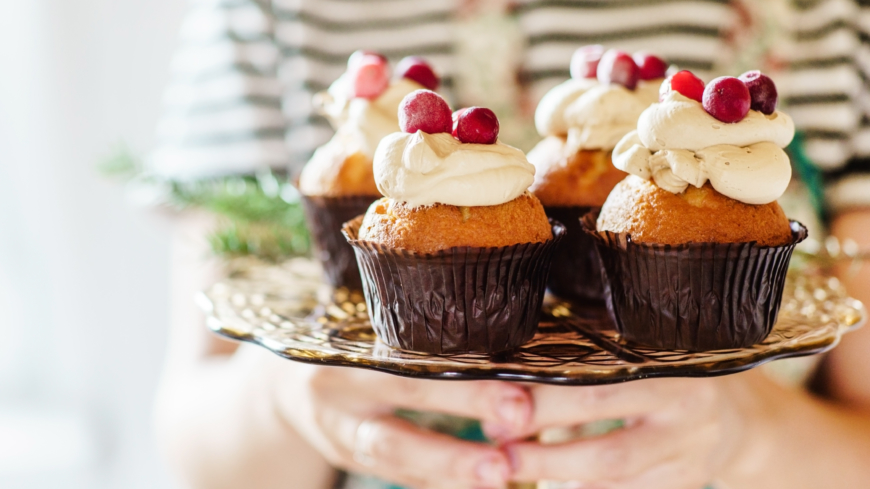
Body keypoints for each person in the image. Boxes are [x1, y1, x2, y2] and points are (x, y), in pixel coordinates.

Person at [153, 1, 870, 488]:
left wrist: (753, 433)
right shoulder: (272, 16)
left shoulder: (831, 21)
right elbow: (193, 443)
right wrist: (283, 394)